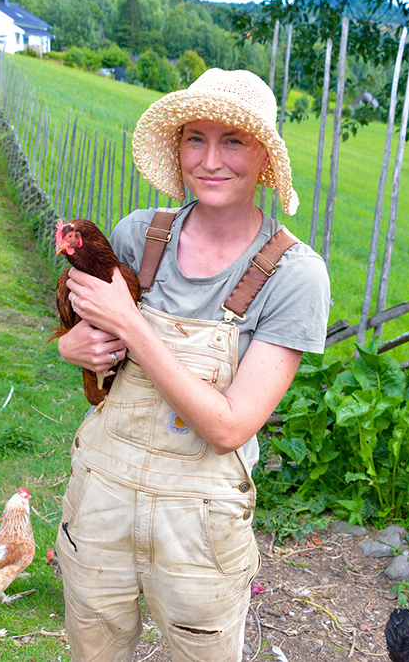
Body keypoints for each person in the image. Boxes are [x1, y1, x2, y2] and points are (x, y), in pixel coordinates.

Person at [54, 68, 331, 662]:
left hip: (199, 528)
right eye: (194, 138)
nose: (210, 160)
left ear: (264, 158)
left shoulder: (293, 275)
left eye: (233, 140)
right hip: (100, 496)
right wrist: (72, 349)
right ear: (176, 147)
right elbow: (95, 351)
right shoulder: (138, 235)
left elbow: (230, 426)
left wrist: (133, 325)